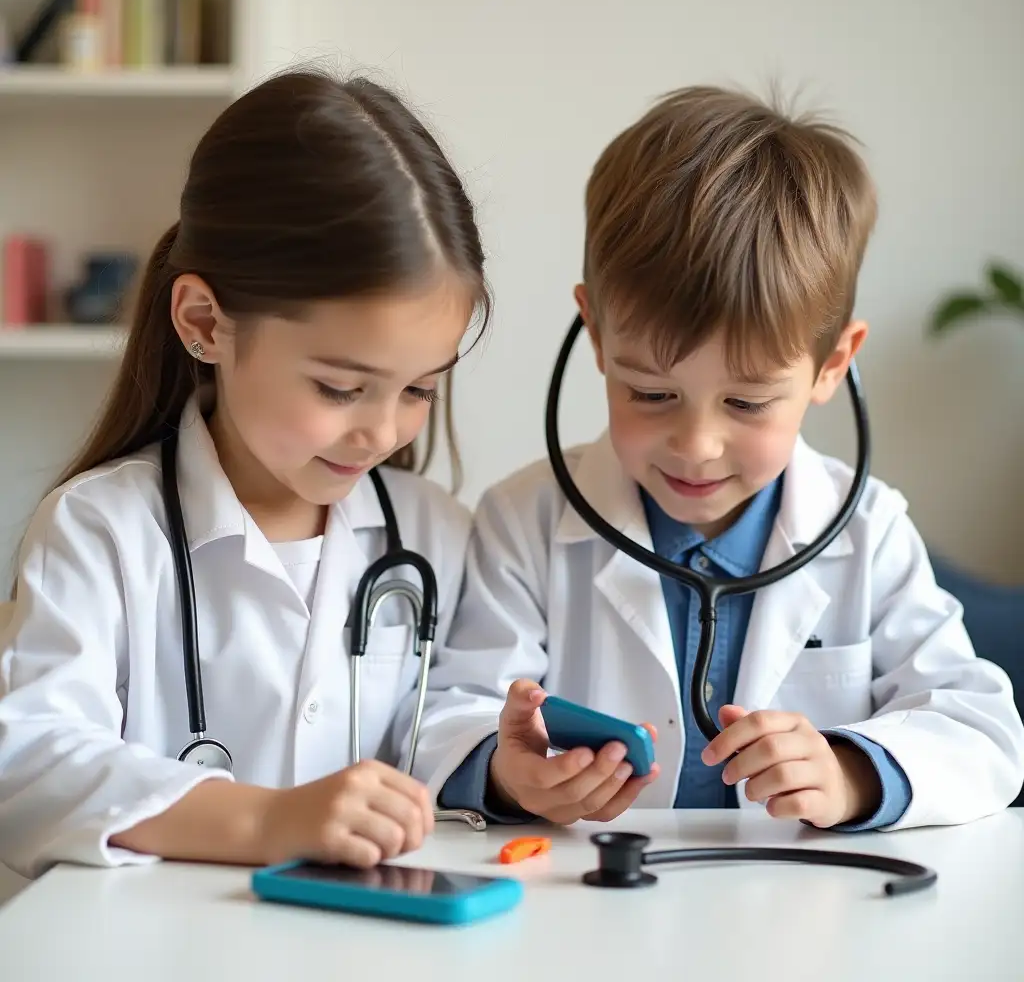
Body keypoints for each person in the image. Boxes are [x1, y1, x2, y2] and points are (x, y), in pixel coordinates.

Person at [409, 85, 1024, 831]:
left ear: (833, 363)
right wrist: (509, 773)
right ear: (597, 336)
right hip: (583, 914)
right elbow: (446, 715)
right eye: (651, 394)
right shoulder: (525, 523)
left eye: (747, 403)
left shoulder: (869, 531)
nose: (696, 445)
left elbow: (980, 730)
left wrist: (852, 771)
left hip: (802, 921)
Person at [0, 68, 490, 879]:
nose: (380, 430)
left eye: (420, 389)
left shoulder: (436, 532)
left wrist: (502, 758)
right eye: (340, 387)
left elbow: (443, 722)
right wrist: (266, 818)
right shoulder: (101, 529)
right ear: (204, 324)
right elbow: (29, 765)